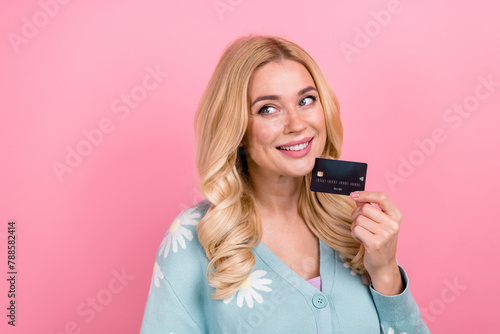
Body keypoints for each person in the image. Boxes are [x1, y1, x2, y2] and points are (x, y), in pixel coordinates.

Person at [140, 35, 430, 333]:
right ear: (237, 129)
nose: (296, 124)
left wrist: (385, 270)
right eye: (268, 108)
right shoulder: (193, 238)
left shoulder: (353, 225)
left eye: (306, 100)